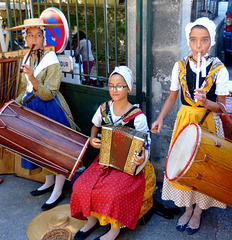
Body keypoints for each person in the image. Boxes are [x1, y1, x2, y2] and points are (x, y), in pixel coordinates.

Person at [151, 17, 229, 235]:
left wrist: (206, 102)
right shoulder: (180, 67)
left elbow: (221, 107)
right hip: (185, 121)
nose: (198, 46)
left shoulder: (219, 70)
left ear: (211, 42)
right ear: (189, 42)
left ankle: (198, 212)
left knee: (204, 168)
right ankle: (187, 207)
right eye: (194, 40)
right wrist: (160, 118)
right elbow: (172, 97)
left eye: (204, 41)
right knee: (184, 164)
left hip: (208, 123)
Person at [70, 66, 156, 240]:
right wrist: (93, 139)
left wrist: (141, 158)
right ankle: (91, 220)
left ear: (128, 88)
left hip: (128, 165)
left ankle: (114, 230)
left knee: (113, 194)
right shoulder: (104, 109)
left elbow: (146, 143)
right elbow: (95, 127)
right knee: (81, 185)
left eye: (119, 86)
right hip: (104, 160)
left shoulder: (137, 116)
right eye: (111, 85)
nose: (114, 90)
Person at [7, 18, 75, 211]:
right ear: (26, 38)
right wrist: (16, 102)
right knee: (39, 149)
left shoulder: (52, 60)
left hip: (50, 109)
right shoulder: (27, 58)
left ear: (44, 37)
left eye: (38, 35)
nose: (34, 39)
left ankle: (58, 189)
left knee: (55, 149)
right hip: (32, 109)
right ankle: (49, 182)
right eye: (30, 35)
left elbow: (49, 93)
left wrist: (32, 78)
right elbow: (26, 89)